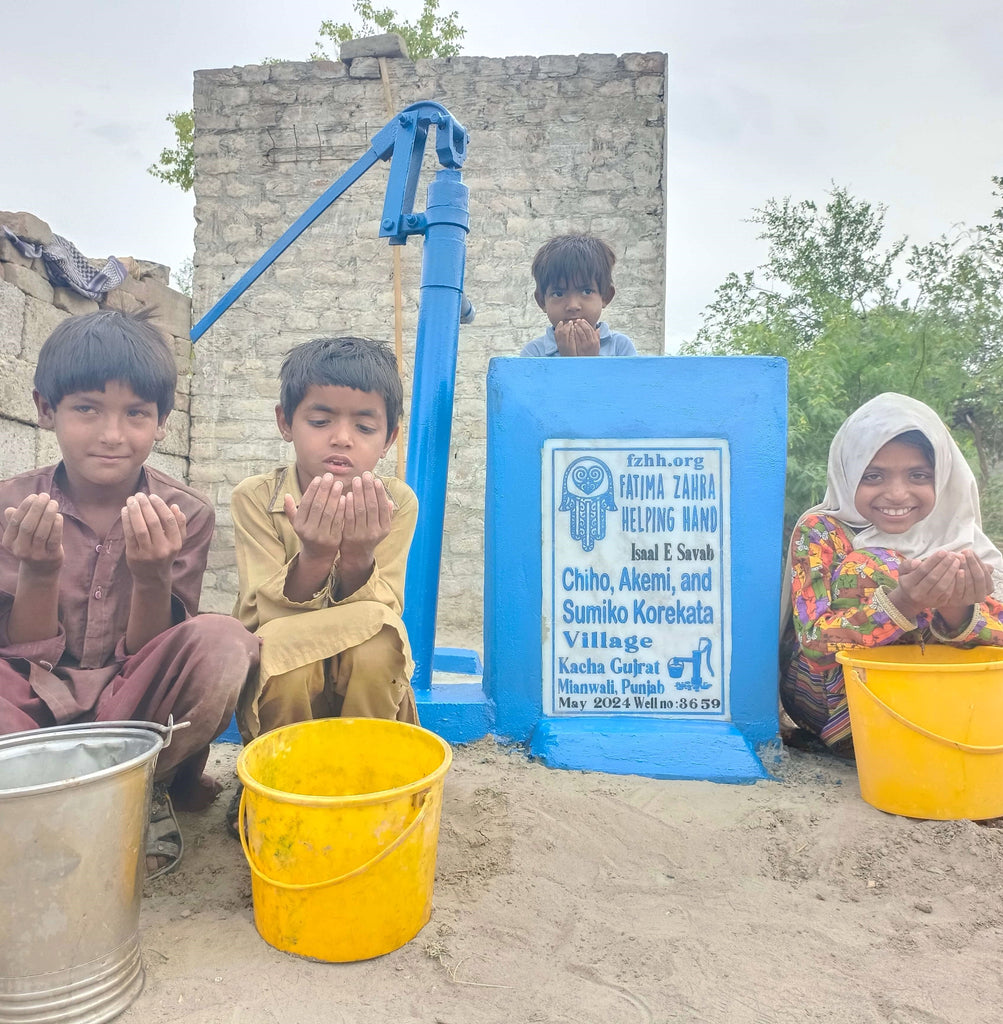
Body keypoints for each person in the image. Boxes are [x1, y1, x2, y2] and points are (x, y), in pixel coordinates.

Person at [0, 310, 259, 877]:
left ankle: (144, 787)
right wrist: (38, 573)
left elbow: (152, 654)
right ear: (47, 410)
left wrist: (151, 575)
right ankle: (41, 798)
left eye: (136, 413)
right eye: (87, 409)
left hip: (133, 701)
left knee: (224, 640)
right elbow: (22, 656)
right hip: (29, 703)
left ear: (162, 422)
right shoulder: (10, 506)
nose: (112, 434)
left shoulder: (184, 512)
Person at [780, 392, 1003, 754]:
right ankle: (870, 736)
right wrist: (903, 602)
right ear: (848, 473)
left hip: (939, 707)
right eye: (873, 476)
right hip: (835, 706)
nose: (897, 494)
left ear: (942, 476)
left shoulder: (962, 540)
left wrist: (958, 612)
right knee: (869, 567)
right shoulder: (822, 532)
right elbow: (816, 646)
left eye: (918, 475)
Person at [230, 335, 418, 762]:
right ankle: (281, 773)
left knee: (378, 641)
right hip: (284, 680)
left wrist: (357, 555)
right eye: (320, 422)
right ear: (285, 422)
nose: (342, 439)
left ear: (388, 438)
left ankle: (365, 770)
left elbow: (385, 613)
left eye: (365, 427)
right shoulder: (256, 498)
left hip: (362, 673)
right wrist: (313, 557)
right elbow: (260, 618)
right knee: (284, 652)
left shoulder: (396, 503)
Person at [519, 233, 637, 357]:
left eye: (586, 291)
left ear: (606, 296)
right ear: (541, 301)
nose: (572, 305)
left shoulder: (620, 348)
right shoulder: (534, 353)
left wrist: (589, 360)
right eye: (558, 294)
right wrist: (569, 360)